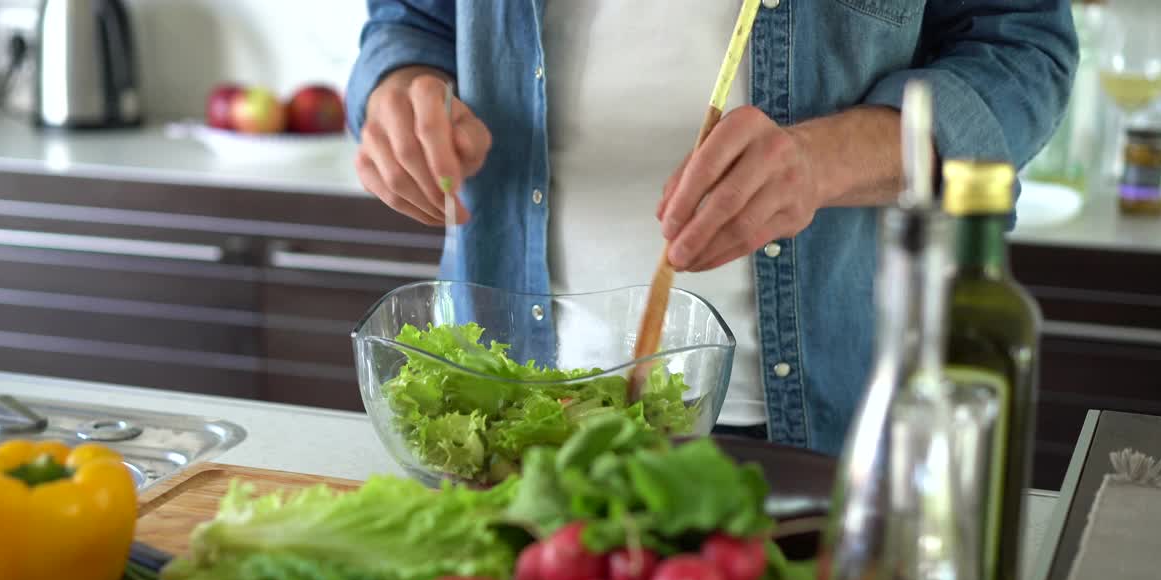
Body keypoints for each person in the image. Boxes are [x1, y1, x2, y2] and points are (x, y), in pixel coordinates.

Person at [345, 1, 1077, 456]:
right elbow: (410, 18)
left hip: (816, 429)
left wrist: (822, 161)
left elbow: (1022, 51)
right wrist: (401, 87)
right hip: (505, 410)